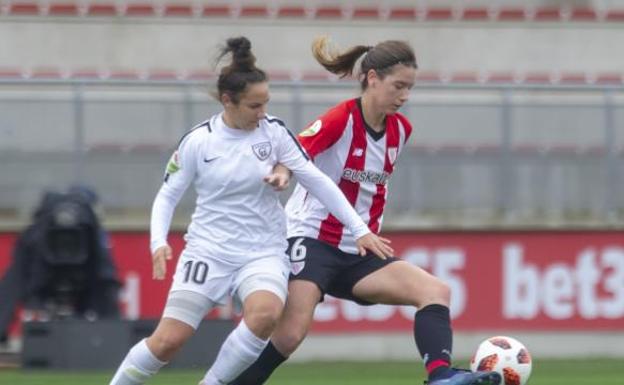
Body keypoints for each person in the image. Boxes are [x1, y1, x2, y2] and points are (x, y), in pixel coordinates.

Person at [108, 36, 392, 385]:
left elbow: (317, 181)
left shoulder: (274, 134)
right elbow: (167, 196)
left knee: (265, 315)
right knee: (168, 342)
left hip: (263, 251)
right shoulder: (200, 142)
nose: (262, 113)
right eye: (254, 106)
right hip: (208, 251)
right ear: (228, 101)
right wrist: (158, 242)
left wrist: (359, 228)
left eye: (266, 103)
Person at [229, 37, 502, 385]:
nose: (404, 96)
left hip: (360, 250)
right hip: (312, 240)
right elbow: (294, 150)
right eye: (398, 86)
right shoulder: (340, 118)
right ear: (372, 78)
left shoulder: (401, 130)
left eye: (410, 88)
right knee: (290, 334)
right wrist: (282, 172)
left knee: (435, 291)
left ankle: (440, 376)